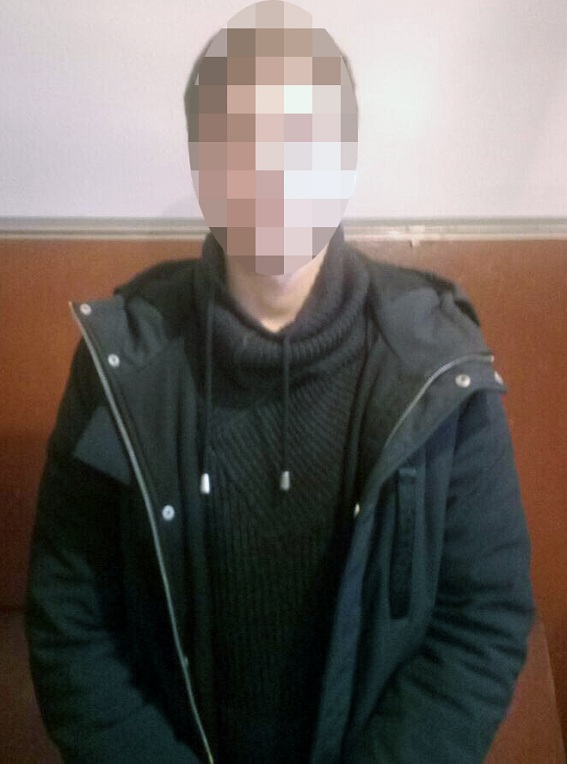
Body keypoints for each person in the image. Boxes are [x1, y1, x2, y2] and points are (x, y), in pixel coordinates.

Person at [26, 2, 534, 762]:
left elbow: (481, 619)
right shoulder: (122, 361)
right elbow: (72, 623)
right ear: (200, 169)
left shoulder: (438, 363)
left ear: (348, 161)